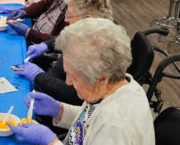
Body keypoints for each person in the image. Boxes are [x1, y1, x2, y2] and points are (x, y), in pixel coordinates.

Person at [10, 18, 154, 145]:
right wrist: (59, 110)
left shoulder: (114, 128)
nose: (68, 82)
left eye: (74, 77)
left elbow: (101, 125)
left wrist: (50, 141)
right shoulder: (115, 83)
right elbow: (90, 120)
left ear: (101, 78)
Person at [15, 0, 114, 132]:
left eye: (69, 15)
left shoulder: (98, 52)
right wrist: (47, 45)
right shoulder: (88, 33)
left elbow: (74, 95)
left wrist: (39, 76)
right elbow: (86, 117)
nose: (66, 20)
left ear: (86, 18)